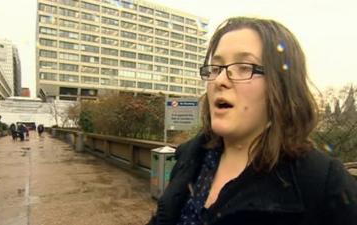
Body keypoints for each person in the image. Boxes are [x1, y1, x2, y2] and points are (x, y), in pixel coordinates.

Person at [147, 17, 357, 225]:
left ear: (281, 85)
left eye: (244, 67)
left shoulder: (322, 183)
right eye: (216, 68)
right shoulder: (190, 157)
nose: (220, 80)